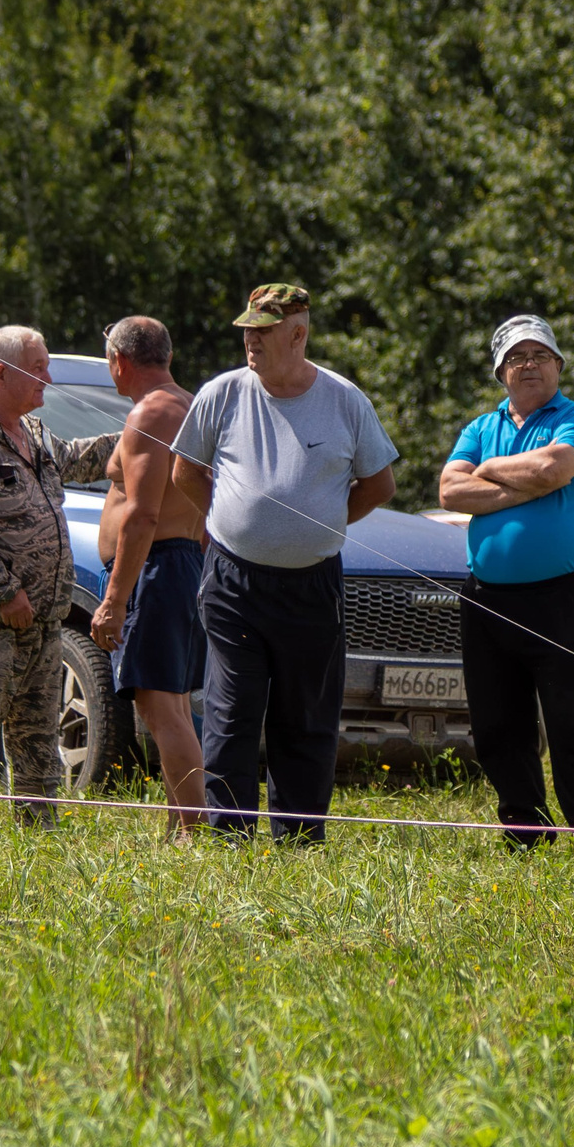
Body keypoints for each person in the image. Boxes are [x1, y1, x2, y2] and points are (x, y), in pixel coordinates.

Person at [171, 283, 398, 841]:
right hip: (233, 581)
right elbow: (185, 471)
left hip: (312, 585)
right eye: (247, 329)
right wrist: (228, 522)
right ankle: (230, 835)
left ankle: (299, 838)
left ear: (297, 334)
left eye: (263, 331)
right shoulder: (222, 393)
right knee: (231, 710)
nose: (250, 340)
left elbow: (380, 483)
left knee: (305, 714)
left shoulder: (345, 399)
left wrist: (321, 524)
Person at [438, 314, 574, 846]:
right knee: (497, 724)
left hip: (557, 597)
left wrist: (489, 471)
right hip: (486, 599)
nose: (529, 364)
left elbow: (553, 471)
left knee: (571, 720)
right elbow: (450, 491)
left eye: (540, 355)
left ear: (558, 365)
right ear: (501, 373)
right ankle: (526, 832)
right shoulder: (479, 427)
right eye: (516, 358)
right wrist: (522, 480)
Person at [0, 324, 117, 826]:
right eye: (38, 369)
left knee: (37, 741)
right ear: (1, 373)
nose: (48, 379)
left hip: (43, 621)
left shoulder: (31, 433)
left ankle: (38, 839)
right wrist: (5, 593)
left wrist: (141, 433)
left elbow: (75, 459)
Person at [90, 316, 209, 839]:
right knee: (174, 703)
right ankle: (180, 826)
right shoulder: (190, 405)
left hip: (155, 568)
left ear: (120, 361)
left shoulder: (150, 414)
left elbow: (141, 515)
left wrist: (114, 601)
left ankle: (195, 831)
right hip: (182, 564)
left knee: (162, 710)